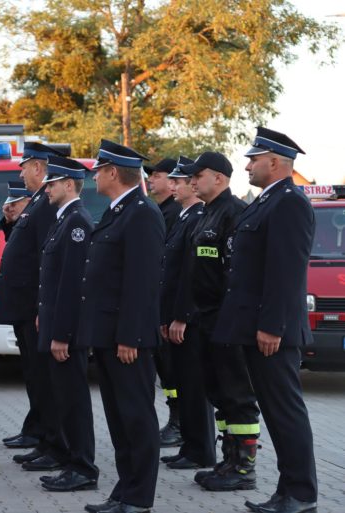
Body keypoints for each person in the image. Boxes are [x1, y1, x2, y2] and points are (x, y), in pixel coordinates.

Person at [214, 128, 317, 513]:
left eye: (253, 159)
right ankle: (288, 491)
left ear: (274, 162)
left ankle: (301, 494)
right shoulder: (266, 201)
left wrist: (272, 325)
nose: (247, 165)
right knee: (277, 413)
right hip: (257, 326)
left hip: (273, 330)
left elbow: (285, 272)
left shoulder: (289, 202)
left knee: (285, 412)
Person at [81, 140, 164, 513]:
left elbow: (142, 282)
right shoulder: (118, 211)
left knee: (136, 416)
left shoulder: (142, 213)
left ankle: (139, 496)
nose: (95, 176)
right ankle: (124, 489)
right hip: (109, 335)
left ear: (113, 173)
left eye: (98, 170)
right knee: (119, 419)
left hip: (127, 338)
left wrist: (130, 335)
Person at [182, 152, 261, 492]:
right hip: (206, 321)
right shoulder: (206, 213)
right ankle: (228, 460)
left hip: (228, 323)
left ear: (219, 178)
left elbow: (236, 275)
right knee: (219, 394)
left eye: (198, 175)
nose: (192, 181)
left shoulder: (234, 214)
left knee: (238, 395)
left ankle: (244, 469)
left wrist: (230, 322)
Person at [0, 142, 67, 464]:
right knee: (35, 377)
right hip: (23, 307)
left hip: (32, 307)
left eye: (24, 166)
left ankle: (52, 441)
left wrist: (42, 306)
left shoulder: (45, 205)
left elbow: (45, 261)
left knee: (44, 380)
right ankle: (41, 435)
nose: (20, 172)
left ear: (38, 167)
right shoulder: (38, 202)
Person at [36, 156, 100, 493]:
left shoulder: (77, 223)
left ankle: (84, 468)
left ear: (69, 185)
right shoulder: (63, 220)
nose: (47, 188)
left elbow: (72, 286)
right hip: (56, 328)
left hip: (68, 334)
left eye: (52, 183)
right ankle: (72, 463)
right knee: (64, 400)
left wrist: (61, 334)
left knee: (74, 402)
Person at [158, 157, 216, 471]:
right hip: (175, 316)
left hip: (190, 319)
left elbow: (190, 276)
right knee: (186, 385)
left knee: (195, 388)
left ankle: (203, 450)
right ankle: (192, 447)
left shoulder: (197, 217)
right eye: (176, 181)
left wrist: (181, 316)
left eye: (179, 182)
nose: (175, 186)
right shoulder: (184, 217)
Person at [147, 158, 184, 448]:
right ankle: (176, 420)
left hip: (172, 307)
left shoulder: (174, 213)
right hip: (160, 304)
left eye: (157, 176)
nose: (152, 180)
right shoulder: (161, 210)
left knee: (174, 370)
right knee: (167, 372)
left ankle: (180, 423)